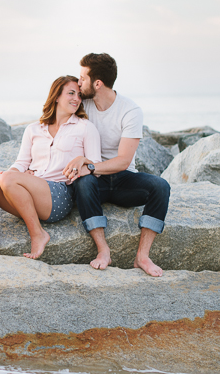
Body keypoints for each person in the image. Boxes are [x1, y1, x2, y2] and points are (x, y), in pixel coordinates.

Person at [0, 75, 101, 260]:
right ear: (56, 96)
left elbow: (97, 166)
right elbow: (21, 163)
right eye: (71, 93)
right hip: (31, 191)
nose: (76, 99)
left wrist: (80, 163)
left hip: (59, 195)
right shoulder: (34, 129)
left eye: (79, 95)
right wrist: (11, 176)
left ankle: (38, 235)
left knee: (9, 178)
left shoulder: (85, 127)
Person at [63, 53, 170, 277]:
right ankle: (103, 250)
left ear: (98, 83)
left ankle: (142, 256)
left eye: (83, 78)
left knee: (161, 186)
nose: (79, 83)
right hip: (93, 183)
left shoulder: (130, 111)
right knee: (84, 185)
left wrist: (91, 167)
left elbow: (123, 161)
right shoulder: (84, 105)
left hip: (122, 179)